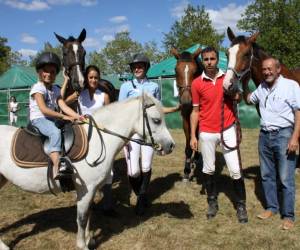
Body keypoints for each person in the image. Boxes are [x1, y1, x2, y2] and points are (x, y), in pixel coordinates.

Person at [190, 46, 248, 223]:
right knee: (208, 169)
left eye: (212, 59)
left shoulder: (228, 77)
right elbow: (195, 111)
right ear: (203, 61)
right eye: (206, 59)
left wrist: (235, 94)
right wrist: (193, 135)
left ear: (217, 59)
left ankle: (241, 205)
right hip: (206, 131)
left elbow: (238, 96)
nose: (209, 62)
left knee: (235, 169)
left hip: (227, 128)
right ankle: (212, 202)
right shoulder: (196, 83)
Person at [242, 57, 300, 230]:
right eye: (264, 69)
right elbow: (249, 99)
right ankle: (272, 208)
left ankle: (288, 215)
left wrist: (295, 137)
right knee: (267, 175)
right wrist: (244, 85)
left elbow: (298, 112)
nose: (266, 72)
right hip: (264, 135)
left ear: (278, 69)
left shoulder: (291, 86)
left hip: (284, 135)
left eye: (270, 69)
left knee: (285, 178)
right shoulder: (262, 88)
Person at [118, 53, 178, 215]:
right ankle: (140, 193)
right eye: (134, 66)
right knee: (133, 172)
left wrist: (172, 110)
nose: (137, 69)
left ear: (145, 68)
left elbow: (157, 110)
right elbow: (120, 110)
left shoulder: (154, 87)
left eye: (140, 66)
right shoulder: (125, 87)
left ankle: (141, 197)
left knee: (146, 166)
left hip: (149, 134)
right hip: (132, 133)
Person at [63, 65, 115, 215]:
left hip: (102, 137)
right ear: (87, 78)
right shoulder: (80, 95)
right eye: (91, 77)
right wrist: (69, 100)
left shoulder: (104, 96)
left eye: (96, 77)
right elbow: (61, 105)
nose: (93, 80)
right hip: (84, 137)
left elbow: (111, 116)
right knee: (85, 171)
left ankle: (108, 204)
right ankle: (87, 202)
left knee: (108, 171)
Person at [29, 52, 82, 180]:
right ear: (39, 73)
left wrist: (78, 116)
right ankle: (56, 167)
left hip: (51, 118)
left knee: (71, 127)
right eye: (45, 71)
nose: (49, 74)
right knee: (54, 132)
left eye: (52, 72)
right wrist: (63, 117)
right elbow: (44, 110)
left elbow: (63, 105)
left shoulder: (56, 89)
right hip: (39, 119)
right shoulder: (38, 88)